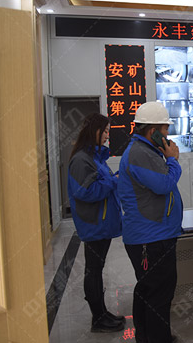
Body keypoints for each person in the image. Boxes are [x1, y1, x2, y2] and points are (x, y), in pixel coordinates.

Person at [118, 102, 183, 343]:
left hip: (152, 235)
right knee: (159, 295)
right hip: (151, 238)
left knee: (148, 291)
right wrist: (173, 160)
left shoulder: (145, 150)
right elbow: (164, 184)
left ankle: (147, 337)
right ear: (153, 130)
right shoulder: (140, 153)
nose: (167, 134)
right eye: (165, 129)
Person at [67, 113, 125, 333]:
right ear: (94, 131)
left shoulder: (95, 158)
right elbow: (87, 191)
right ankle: (98, 319)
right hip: (93, 224)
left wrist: (114, 179)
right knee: (93, 270)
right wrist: (114, 180)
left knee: (97, 269)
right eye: (106, 131)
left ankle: (102, 313)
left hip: (102, 223)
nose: (108, 136)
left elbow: (102, 182)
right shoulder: (81, 160)